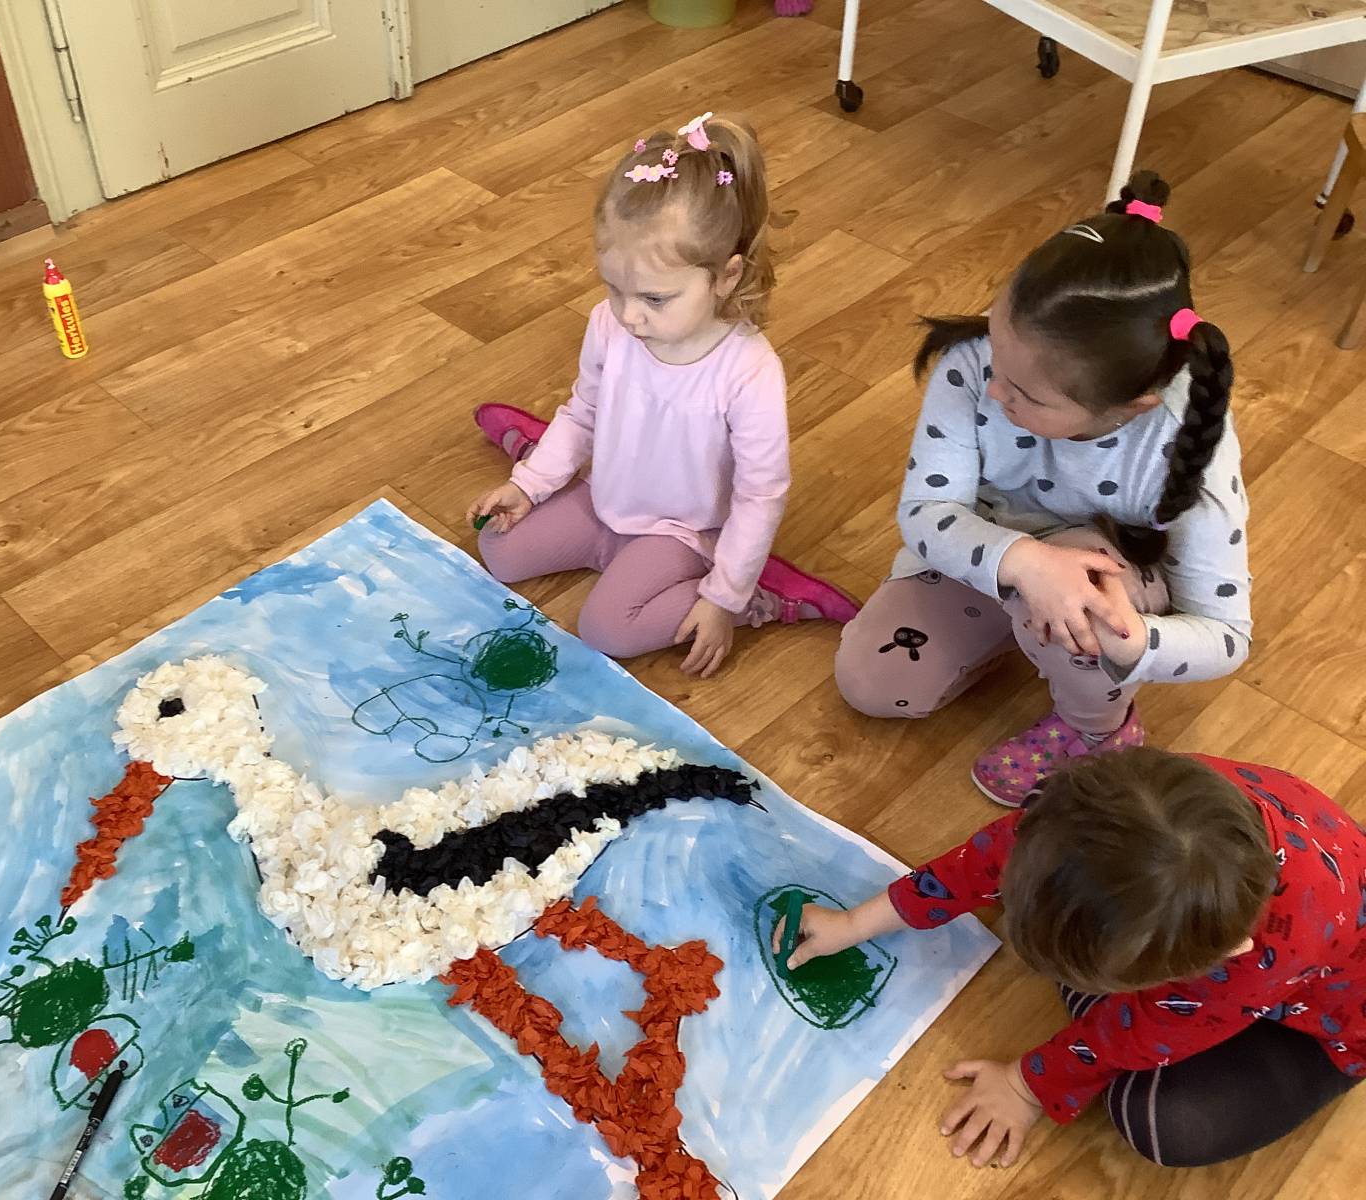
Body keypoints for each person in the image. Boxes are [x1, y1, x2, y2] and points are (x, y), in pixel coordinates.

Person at [834, 171, 1249, 806]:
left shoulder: (1183, 437)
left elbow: (1226, 636)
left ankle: (1097, 730)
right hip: (988, 551)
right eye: (996, 352)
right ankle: (1026, 629)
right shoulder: (980, 362)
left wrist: (1134, 641)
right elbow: (925, 510)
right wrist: (1023, 565)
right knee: (871, 681)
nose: (994, 390)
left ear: (1131, 406)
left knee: (1085, 609)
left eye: (1026, 394)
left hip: (1105, 566)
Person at [775, 748, 1364, 1168]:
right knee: (1067, 907)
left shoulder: (1253, 962)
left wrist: (1025, 1086)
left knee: (1165, 1124)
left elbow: (1141, 1035)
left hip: (1329, 1022)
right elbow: (986, 859)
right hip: (1252, 924)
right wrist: (856, 923)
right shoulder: (1112, 808)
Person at [467, 111, 857, 679]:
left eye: (654, 298)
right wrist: (529, 485)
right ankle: (542, 464)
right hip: (608, 498)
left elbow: (760, 495)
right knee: (499, 550)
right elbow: (585, 410)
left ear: (725, 277)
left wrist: (723, 597)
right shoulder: (609, 324)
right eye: (614, 287)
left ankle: (761, 596)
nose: (629, 315)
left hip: (682, 531)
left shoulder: (749, 371)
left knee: (607, 630)